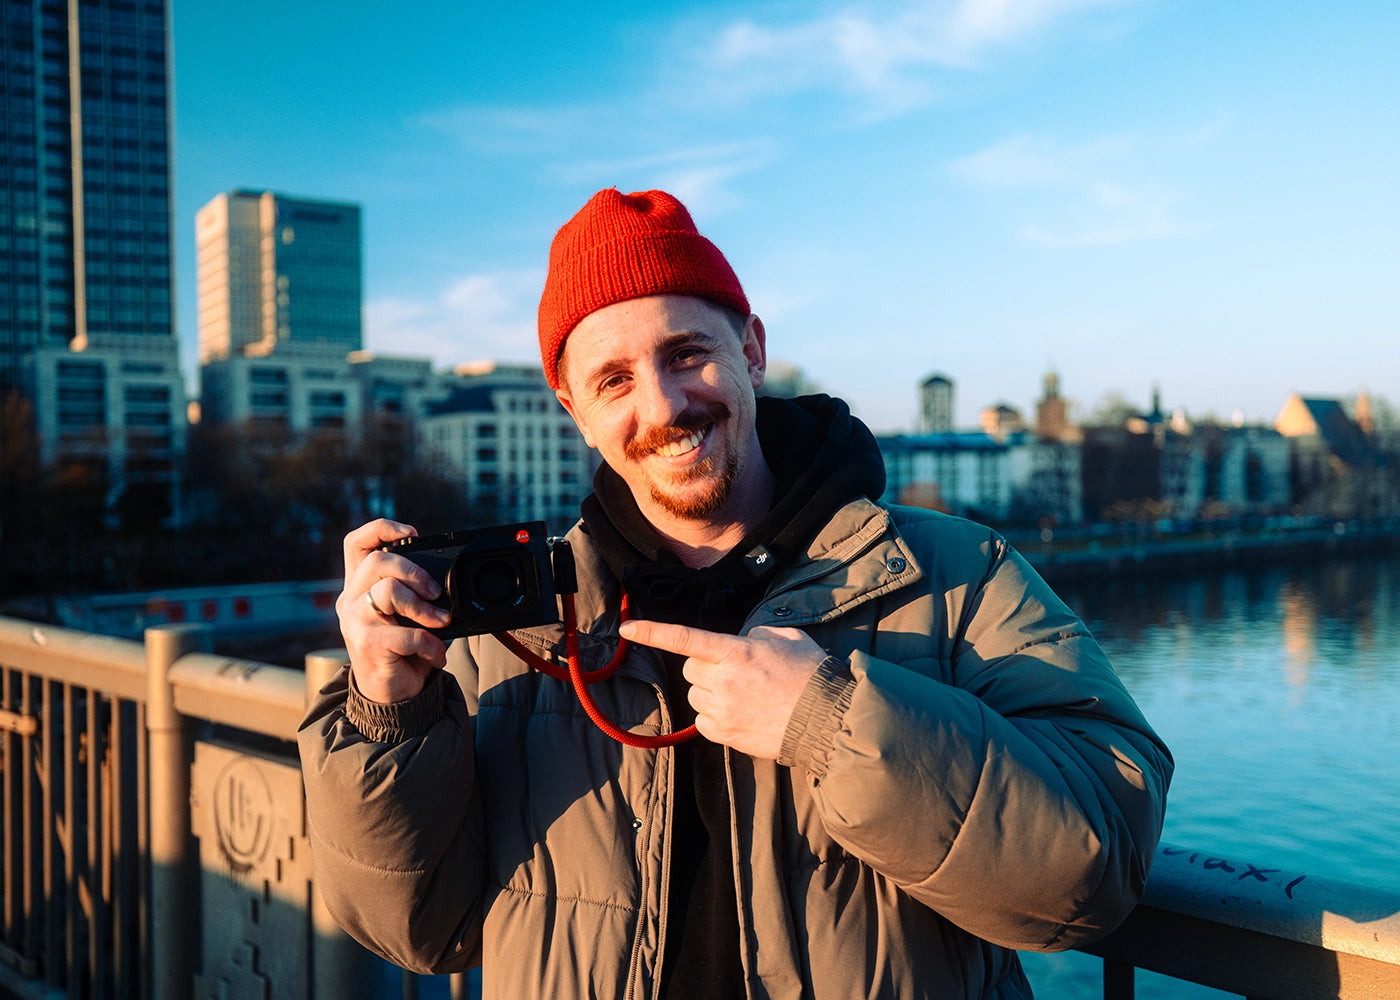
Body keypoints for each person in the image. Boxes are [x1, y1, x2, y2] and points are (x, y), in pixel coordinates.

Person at [298, 188, 1173, 999]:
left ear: (751, 351)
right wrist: (385, 714)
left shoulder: (953, 572)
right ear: (573, 408)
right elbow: (415, 932)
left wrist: (832, 724)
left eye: (688, 354)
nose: (665, 404)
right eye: (614, 380)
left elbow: (1093, 871)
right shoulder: (521, 624)